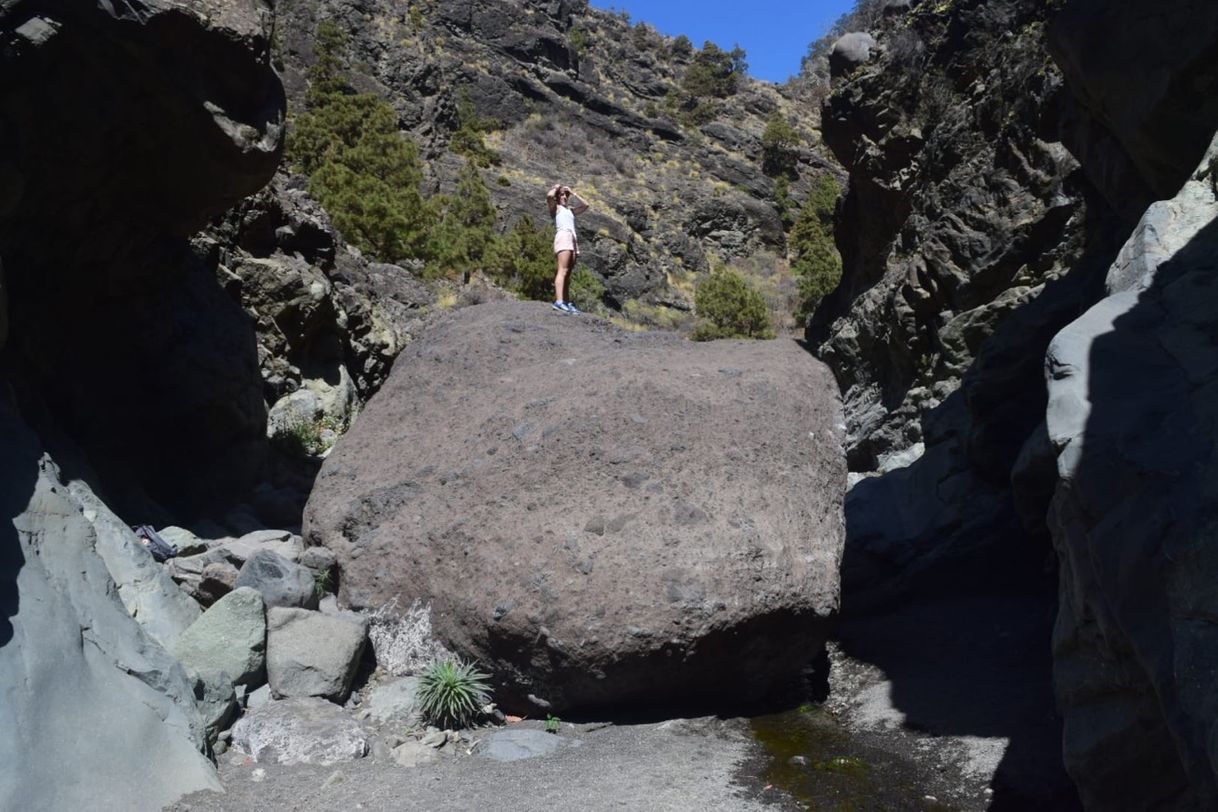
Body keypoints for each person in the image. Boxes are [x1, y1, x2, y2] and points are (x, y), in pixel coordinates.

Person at [546, 183, 589, 314]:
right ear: (557, 197)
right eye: (562, 195)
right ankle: (559, 302)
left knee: (568, 274)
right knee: (562, 270)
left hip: (572, 239)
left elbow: (586, 205)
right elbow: (549, 196)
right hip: (563, 236)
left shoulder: (569, 210)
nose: (564, 197)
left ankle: (566, 301)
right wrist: (556, 187)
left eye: (566, 195)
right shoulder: (556, 208)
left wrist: (573, 193)